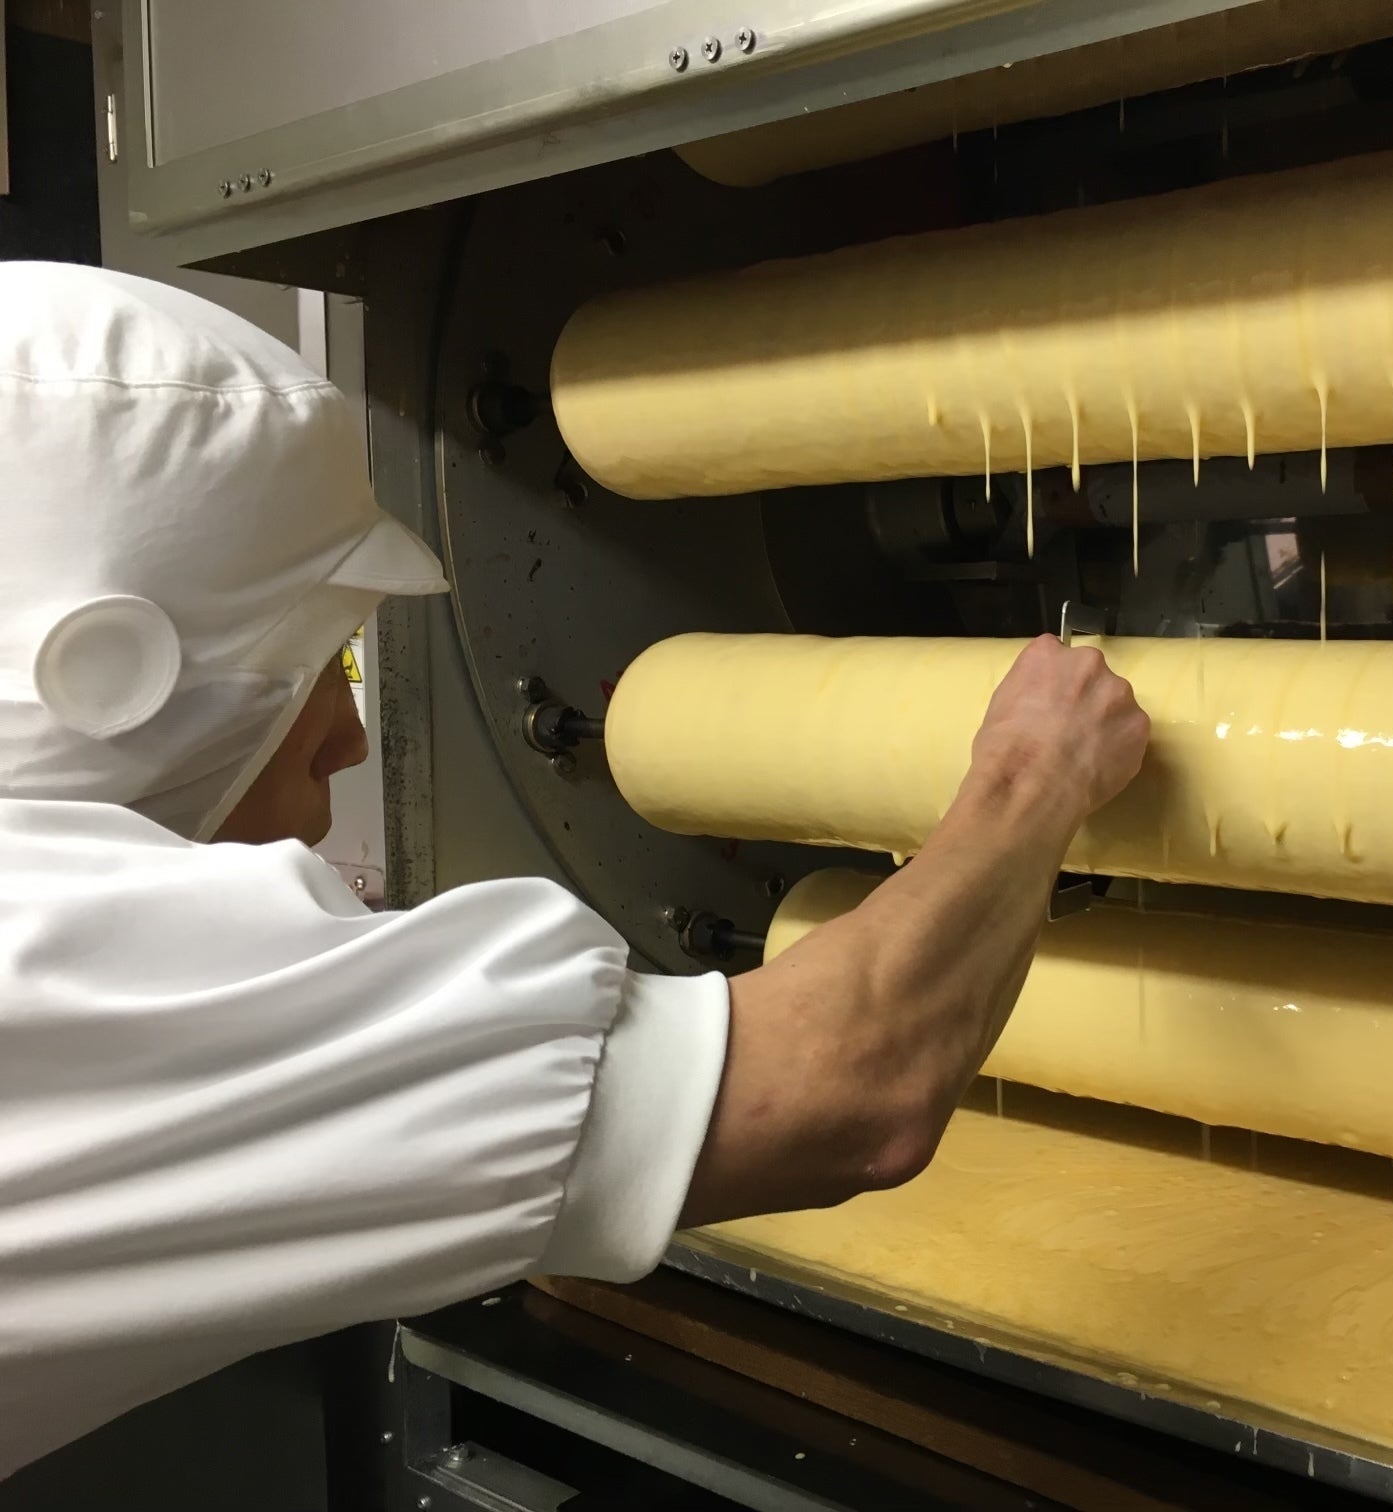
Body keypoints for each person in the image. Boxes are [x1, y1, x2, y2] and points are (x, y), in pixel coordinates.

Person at [0, 262, 1150, 1476]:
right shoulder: (69, 978)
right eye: (309, 669)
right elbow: (846, 1087)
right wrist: (1036, 773)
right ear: (106, 675)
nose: (346, 740)